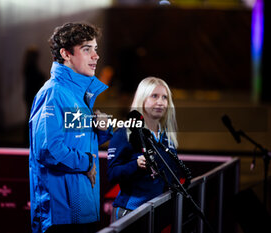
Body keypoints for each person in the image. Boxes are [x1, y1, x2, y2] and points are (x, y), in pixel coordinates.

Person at [29, 22, 113, 233]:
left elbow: (77, 141)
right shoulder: (54, 93)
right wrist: (87, 162)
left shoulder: (76, 94)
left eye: (95, 49)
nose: (96, 56)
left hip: (81, 208)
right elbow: (49, 150)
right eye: (87, 49)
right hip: (61, 215)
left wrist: (101, 131)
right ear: (66, 54)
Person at [107, 77, 186, 222]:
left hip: (157, 212)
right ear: (142, 99)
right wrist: (135, 165)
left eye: (164, 97)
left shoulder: (166, 137)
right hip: (130, 213)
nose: (160, 102)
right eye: (154, 96)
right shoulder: (124, 133)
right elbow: (112, 174)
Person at [23, 46, 46, 146]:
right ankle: (29, 138)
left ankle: (29, 138)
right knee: (32, 117)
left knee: (31, 116)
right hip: (32, 95)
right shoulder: (30, 68)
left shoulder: (27, 66)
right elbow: (36, 79)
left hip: (30, 94)